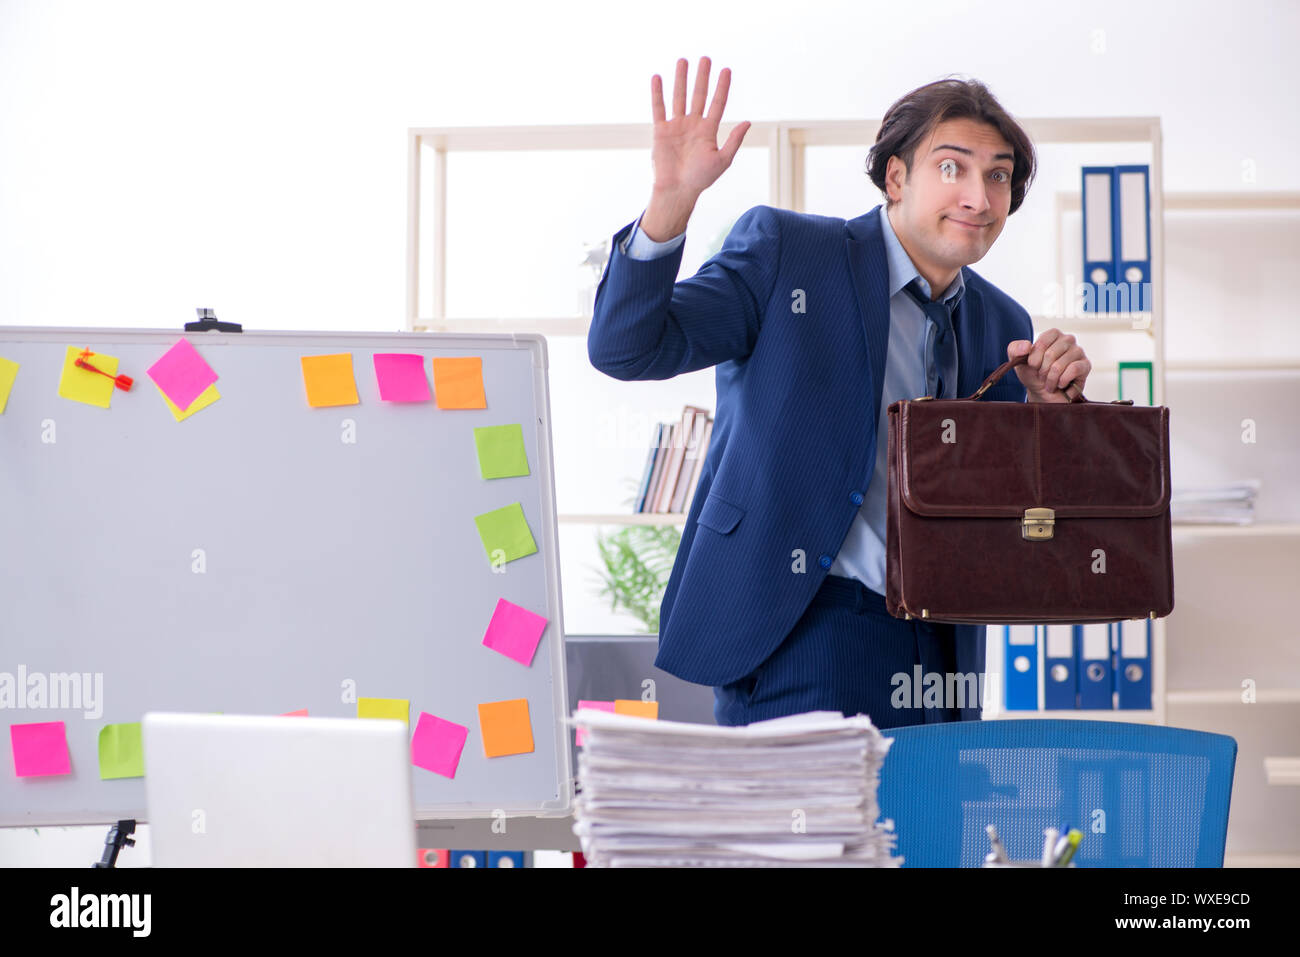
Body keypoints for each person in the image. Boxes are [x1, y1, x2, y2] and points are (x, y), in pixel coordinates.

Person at [587, 57, 1092, 729]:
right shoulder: (791, 253)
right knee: (807, 836)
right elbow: (627, 346)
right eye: (953, 167)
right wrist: (671, 202)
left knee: (920, 837)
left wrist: (1054, 423)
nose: (979, 195)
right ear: (895, 176)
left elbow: (1019, 532)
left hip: (940, 649)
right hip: (803, 628)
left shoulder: (1003, 326)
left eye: (998, 175)